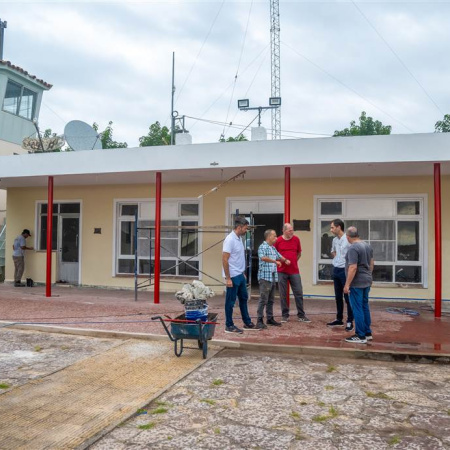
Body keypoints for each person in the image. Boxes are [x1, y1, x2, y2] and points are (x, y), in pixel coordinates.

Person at [222, 216, 257, 333]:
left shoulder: (238, 239)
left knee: (243, 298)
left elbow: (238, 258)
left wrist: (242, 273)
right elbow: (225, 259)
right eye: (245, 228)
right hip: (232, 275)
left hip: (240, 274)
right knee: (230, 301)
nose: (246, 230)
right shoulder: (230, 239)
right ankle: (229, 325)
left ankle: (247, 322)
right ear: (239, 227)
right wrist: (228, 278)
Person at [343, 226, 374, 344]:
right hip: (366, 280)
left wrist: (347, 285)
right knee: (365, 306)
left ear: (347, 237)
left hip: (357, 282)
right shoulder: (367, 245)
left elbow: (353, 267)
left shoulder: (353, 248)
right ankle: (367, 332)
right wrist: (369, 276)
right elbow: (371, 263)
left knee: (357, 308)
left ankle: (360, 335)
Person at [274, 223, 310, 323]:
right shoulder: (278, 241)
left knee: (298, 292)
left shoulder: (296, 239)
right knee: (283, 294)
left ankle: (301, 315)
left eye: (292, 230)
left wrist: (293, 261)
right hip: (282, 271)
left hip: (294, 271)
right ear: (284, 231)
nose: (292, 232)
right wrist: (283, 261)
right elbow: (275, 254)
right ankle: (284, 315)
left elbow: (299, 253)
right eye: (290, 230)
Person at [256, 229, 290, 329]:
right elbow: (263, 258)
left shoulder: (272, 248)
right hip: (264, 278)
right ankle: (259, 320)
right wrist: (275, 262)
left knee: (271, 300)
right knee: (263, 300)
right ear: (269, 237)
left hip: (272, 277)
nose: (276, 238)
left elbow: (279, 256)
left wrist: (286, 260)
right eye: (274, 236)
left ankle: (269, 318)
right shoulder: (262, 247)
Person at [327, 219, 354, 331]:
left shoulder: (347, 240)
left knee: (347, 296)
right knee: (338, 296)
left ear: (339, 227)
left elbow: (352, 253)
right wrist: (337, 259)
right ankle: (339, 318)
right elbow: (333, 251)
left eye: (333, 227)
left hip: (345, 270)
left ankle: (350, 321)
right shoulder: (334, 240)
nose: (331, 229)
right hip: (336, 269)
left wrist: (345, 262)